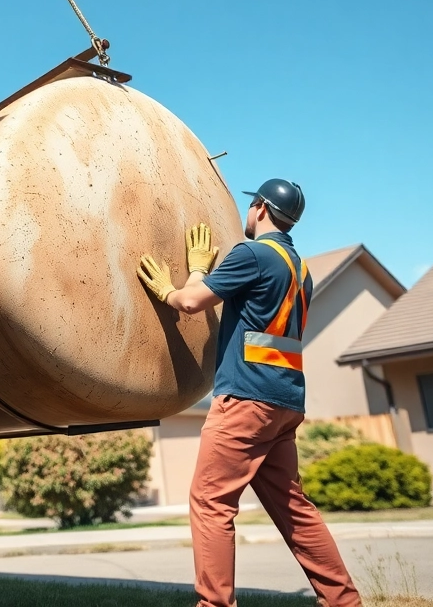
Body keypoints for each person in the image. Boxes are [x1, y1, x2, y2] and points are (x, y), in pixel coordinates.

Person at [136, 179, 361, 607]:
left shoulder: (253, 253)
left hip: (245, 401)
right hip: (285, 402)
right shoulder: (300, 268)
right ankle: (344, 602)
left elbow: (189, 302)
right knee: (293, 508)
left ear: (259, 208)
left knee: (211, 502)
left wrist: (180, 280)